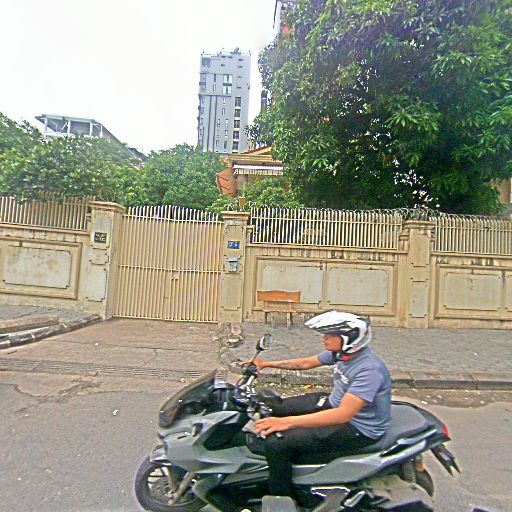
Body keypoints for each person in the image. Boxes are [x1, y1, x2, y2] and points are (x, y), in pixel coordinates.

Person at [248, 311, 392, 499]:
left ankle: (281, 498)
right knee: (272, 407)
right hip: (333, 404)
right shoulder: (341, 354)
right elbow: (305, 363)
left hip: (357, 428)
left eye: (331, 335)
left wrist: (286, 422)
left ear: (349, 339)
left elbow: (343, 415)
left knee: (276, 444)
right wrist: (266, 364)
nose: (325, 338)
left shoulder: (369, 370)